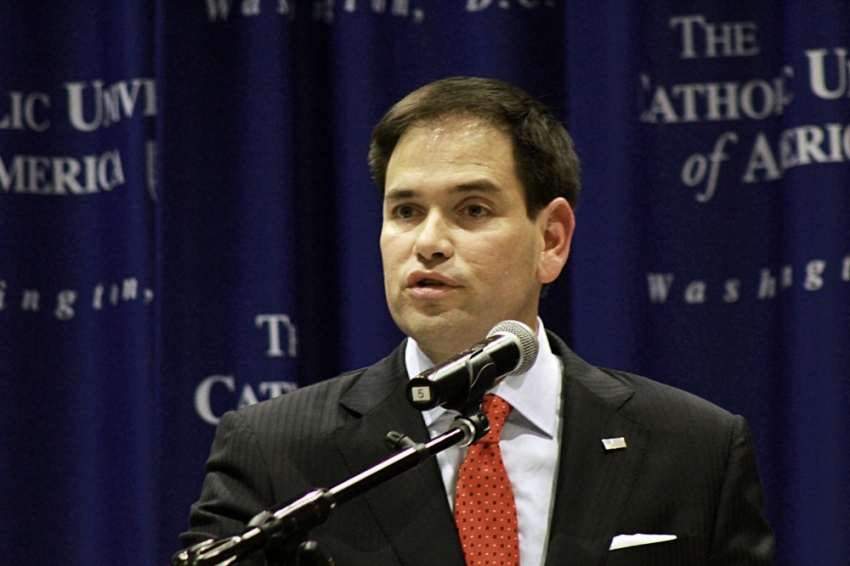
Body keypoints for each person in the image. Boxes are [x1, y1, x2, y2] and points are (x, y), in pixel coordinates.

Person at [181, 77, 775, 565]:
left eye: (472, 210)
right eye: (406, 211)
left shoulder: (695, 449)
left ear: (551, 239)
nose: (429, 242)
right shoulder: (274, 453)